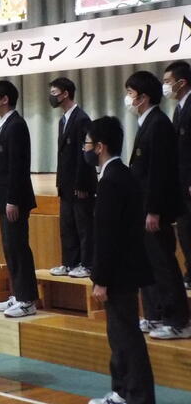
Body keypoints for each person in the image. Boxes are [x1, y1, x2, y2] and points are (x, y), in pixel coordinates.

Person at [84, 116, 156, 404]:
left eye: (88, 143)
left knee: (126, 336)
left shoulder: (112, 181)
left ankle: (136, 395)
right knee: (120, 334)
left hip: (119, 273)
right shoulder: (121, 175)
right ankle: (122, 391)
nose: (85, 149)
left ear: (100, 147)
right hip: (125, 269)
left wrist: (101, 279)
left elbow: (108, 235)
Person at [124, 70, 190, 339]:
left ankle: (178, 321)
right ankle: (155, 314)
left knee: (163, 264)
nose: (128, 98)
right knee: (148, 264)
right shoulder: (147, 122)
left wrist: (153, 210)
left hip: (155, 210)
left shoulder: (159, 124)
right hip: (141, 207)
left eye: (130, 93)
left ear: (143, 97)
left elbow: (159, 173)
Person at [0, 80, 39, 318]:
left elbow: (18, 166)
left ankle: (27, 300)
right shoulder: (5, 124)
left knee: (18, 248)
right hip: (4, 198)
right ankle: (18, 294)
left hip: (13, 199)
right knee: (9, 247)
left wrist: (12, 199)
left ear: (5, 99)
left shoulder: (16, 125)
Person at [48, 77, 97, 278]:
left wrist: (82, 183)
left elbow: (84, 154)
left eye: (54, 93)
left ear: (66, 94)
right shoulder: (63, 120)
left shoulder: (82, 119)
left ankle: (87, 264)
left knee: (84, 226)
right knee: (67, 225)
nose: (51, 97)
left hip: (80, 184)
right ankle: (69, 263)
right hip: (66, 183)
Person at [163, 61, 191, 290]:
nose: (165, 86)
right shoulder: (179, 108)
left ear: (181, 82)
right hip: (180, 181)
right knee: (184, 229)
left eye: (167, 82)